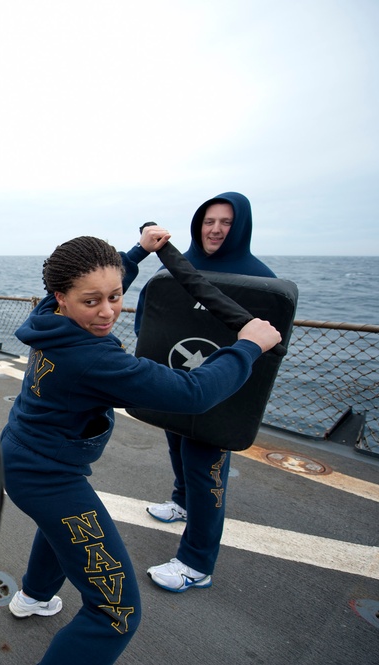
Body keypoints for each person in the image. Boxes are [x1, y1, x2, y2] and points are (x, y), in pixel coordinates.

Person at [0, 236, 280, 664]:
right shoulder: (95, 359)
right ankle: (41, 598)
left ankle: (35, 597)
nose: (108, 311)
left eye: (115, 296)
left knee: (62, 528)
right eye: (92, 302)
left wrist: (137, 252)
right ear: (63, 297)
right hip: (48, 476)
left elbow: (98, 286)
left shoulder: (48, 315)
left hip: (21, 452)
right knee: (115, 612)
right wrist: (248, 346)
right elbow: (194, 392)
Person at [120, 192, 278, 593]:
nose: (216, 229)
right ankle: (181, 501)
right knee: (177, 444)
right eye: (209, 221)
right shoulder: (180, 265)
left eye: (226, 222)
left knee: (207, 474)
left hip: (222, 394)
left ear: (240, 226)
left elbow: (266, 346)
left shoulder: (261, 280)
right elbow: (150, 317)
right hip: (178, 378)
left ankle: (197, 563)